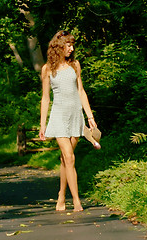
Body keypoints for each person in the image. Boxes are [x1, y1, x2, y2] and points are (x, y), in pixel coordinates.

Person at [39, 30, 97, 212]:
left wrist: (90, 116)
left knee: (66, 160)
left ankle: (61, 195)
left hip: (75, 116)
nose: (71, 49)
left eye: (72, 45)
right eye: (68, 45)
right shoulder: (47, 68)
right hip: (58, 117)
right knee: (70, 157)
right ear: (58, 46)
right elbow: (45, 98)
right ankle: (77, 201)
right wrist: (43, 124)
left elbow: (81, 91)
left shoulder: (75, 65)